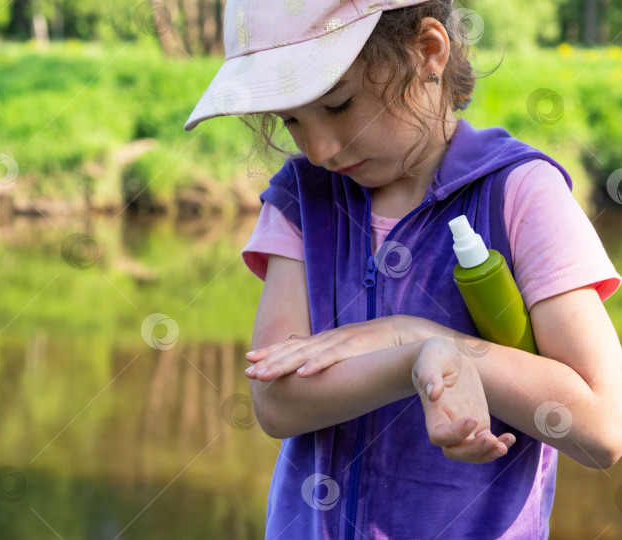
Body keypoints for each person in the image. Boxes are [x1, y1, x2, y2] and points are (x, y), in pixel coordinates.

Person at [184, 0, 622, 538]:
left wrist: (418, 336)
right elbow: (276, 403)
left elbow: (601, 429)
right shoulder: (302, 201)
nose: (319, 149)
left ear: (428, 52)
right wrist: (412, 361)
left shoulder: (521, 194)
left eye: (340, 105)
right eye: (291, 119)